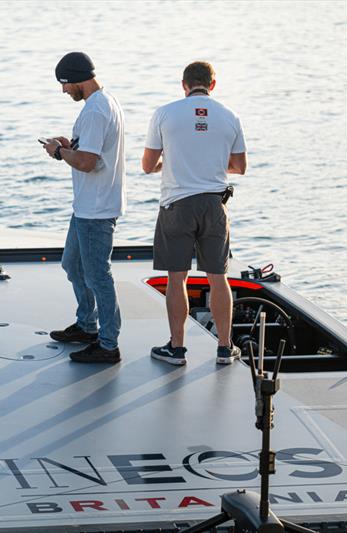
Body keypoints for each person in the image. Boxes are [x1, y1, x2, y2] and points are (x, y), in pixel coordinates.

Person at [142, 61, 247, 366]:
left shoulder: (165, 113)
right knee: (219, 278)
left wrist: (172, 163)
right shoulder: (230, 116)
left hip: (177, 205)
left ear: (184, 85)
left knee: (177, 280)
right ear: (213, 85)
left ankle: (177, 349)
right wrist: (211, 165)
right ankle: (225, 349)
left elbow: (148, 166)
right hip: (214, 206)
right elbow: (239, 167)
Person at [42, 51, 126, 364]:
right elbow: (91, 152)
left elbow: (88, 164)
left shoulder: (95, 110)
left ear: (77, 79)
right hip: (88, 207)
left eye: (64, 84)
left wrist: (57, 152)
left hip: (96, 210)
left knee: (97, 276)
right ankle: (86, 325)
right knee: (72, 265)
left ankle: (108, 344)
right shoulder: (105, 103)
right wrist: (69, 145)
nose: (64, 91)